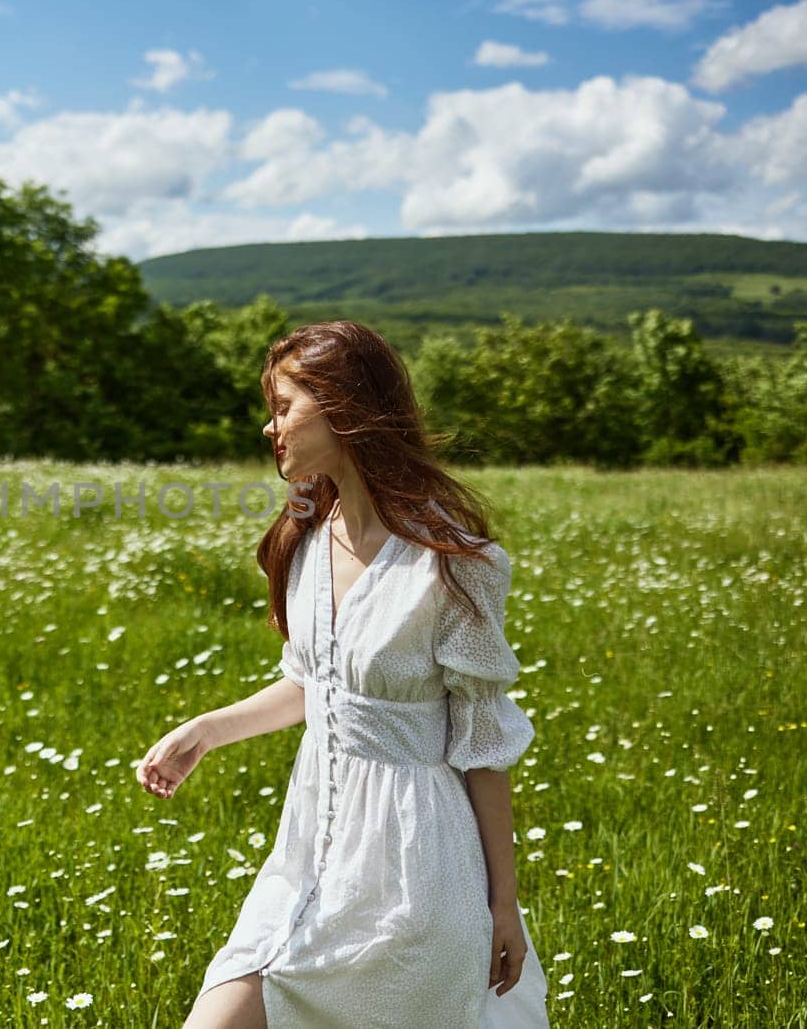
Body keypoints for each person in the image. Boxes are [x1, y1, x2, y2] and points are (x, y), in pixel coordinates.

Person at [137, 321, 551, 1029]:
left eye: (285, 407)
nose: (272, 428)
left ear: (344, 407)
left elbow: (483, 747)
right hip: (307, 858)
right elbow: (316, 687)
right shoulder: (304, 541)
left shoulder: (453, 564)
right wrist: (205, 731)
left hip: (413, 874)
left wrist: (502, 906)